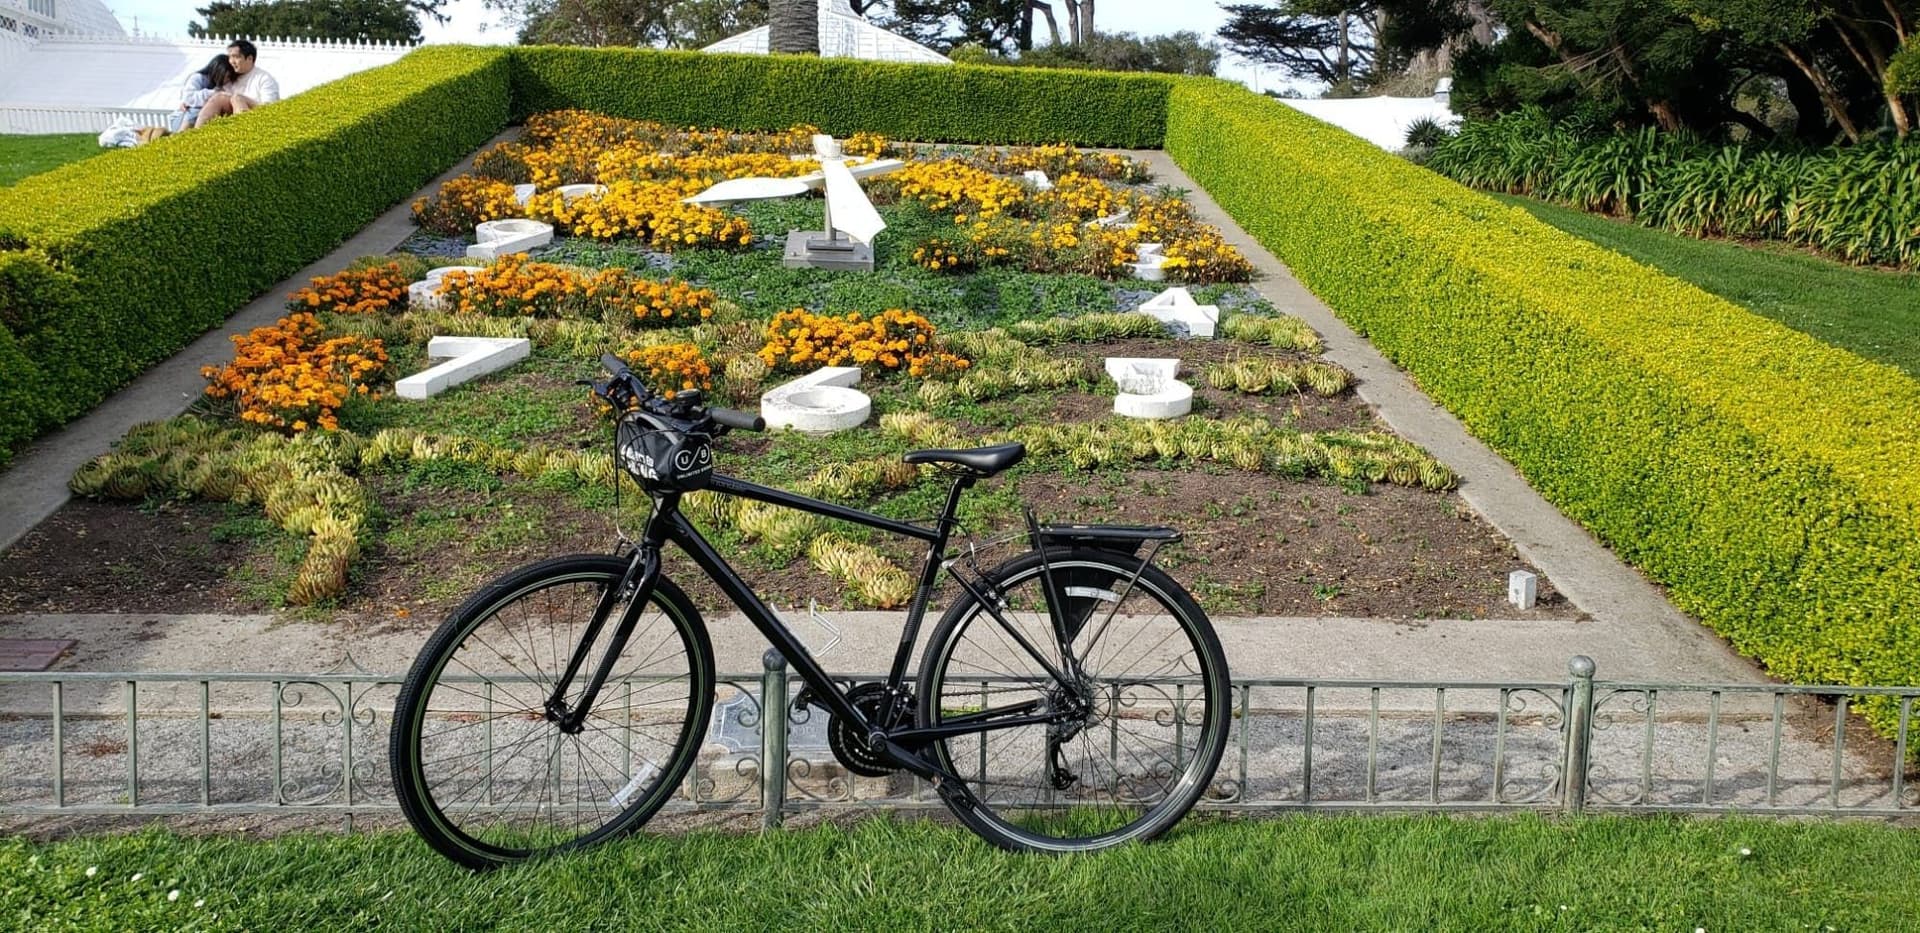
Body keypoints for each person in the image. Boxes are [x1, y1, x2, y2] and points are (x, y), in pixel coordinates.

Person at [194, 40, 280, 128]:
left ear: (249, 59)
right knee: (218, 97)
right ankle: (196, 134)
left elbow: (269, 108)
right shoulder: (230, 77)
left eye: (236, 57)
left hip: (256, 121)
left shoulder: (264, 78)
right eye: (230, 57)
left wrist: (241, 100)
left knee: (237, 98)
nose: (231, 61)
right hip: (229, 117)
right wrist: (187, 104)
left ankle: (242, 133)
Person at [173, 54, 236, 132]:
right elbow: (188, 98)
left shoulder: (225, 85)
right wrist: (213, 93)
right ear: (219, 71)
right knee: (196, 109)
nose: (227, 80)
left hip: (198, 119)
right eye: (227, 76)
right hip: (182, 119)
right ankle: (183, 134)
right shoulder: (198, 78)